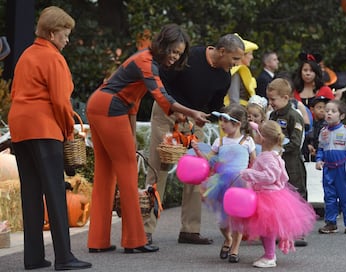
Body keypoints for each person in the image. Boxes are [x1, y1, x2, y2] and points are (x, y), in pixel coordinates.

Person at [86, 24, 210, 254]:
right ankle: (134, 240)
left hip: (100, 105)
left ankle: (98, 240)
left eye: (178, 53)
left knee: (106, 173)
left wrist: (131, 136)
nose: (174, 57)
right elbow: (162, 97)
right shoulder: (146, 61)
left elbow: (132, 102)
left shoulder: (147, 62)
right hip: (110, 108)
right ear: (162, 44)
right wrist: (192, 113)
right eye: (172, 51)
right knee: (128, 172)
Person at [8, 6, 92, 270]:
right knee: (55, 193)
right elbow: (60, 101)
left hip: (20, 130)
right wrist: (69, 130)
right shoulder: (52, 57)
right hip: (44, 129)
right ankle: (65, 258)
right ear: (53, 33)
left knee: (31, 193)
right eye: (65, 35)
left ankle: (33, 258)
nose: (67, 40)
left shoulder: (26, 55)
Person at [144, 33, 245, 245]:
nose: (237, 64)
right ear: (222, 51)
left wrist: (229, 121)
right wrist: (175, 109)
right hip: (167, 112)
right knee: (158, 168)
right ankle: (145, 229)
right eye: (235, 59)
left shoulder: (224, 77)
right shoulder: (191, 56)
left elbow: (216, 106)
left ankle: (190, 230)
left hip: (193, 119)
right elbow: (162, 82)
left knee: (197, 172)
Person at [232, 120, 316, 268]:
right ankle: (269, 254)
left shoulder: (266, 157)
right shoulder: (274, 154)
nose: (253, 135)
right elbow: (284, 176)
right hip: (272, 195)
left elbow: (270, 176)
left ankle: (270, 256)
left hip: (267, 196)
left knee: (267, 230)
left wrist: (250, 173)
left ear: (262, 138)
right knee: (266, 229)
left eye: (256, 133)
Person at [192, 104, 256, 263]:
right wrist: (198, 151)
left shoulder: (247, 141)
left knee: (238, 218)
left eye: (225, 121)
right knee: (222, 220)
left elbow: (254, 162)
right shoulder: (219, 141)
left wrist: (252, 179)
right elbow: (209, 161)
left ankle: (235, 248)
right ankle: (227, 238)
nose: (221, 124)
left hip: (240, 183)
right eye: (220, 120)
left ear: (237, 124)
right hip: (221, 184)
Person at [266, 78, 308, 247]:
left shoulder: (294, 116)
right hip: (275, 164)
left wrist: (279, 149)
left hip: (291, 163)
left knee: (296, 194)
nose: (271, 103)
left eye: (273, 99)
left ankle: (298, 231)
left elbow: (296, 144)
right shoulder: (273, 115)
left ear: (285, 97)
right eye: (269, 99)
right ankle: (281, 230)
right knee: (279, 196)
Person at [316, 100, 346, 234]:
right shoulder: (323, 131)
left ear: (342, 116)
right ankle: (331, 223)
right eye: (327, 110)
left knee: (345, 196)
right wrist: (318, 160)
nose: (328, 113)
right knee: (329, 196)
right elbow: (320, 149)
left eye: (333, 111)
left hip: (342, 169)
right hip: (328, 169)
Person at [224, 34, 258, 106]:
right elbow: (234, 99)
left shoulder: (242, 71)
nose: (252, 57)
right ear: (242, 56)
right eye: (250, 54)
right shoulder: (236, 72)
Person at [303, 95, 331, 162]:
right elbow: (304, 138)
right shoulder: (309, 123)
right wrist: (307, 146)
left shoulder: (329, 125)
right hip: (310, 156)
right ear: (312, 109)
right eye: (319, 107)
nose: (322, 110)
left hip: (325, 157)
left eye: (325, 108)